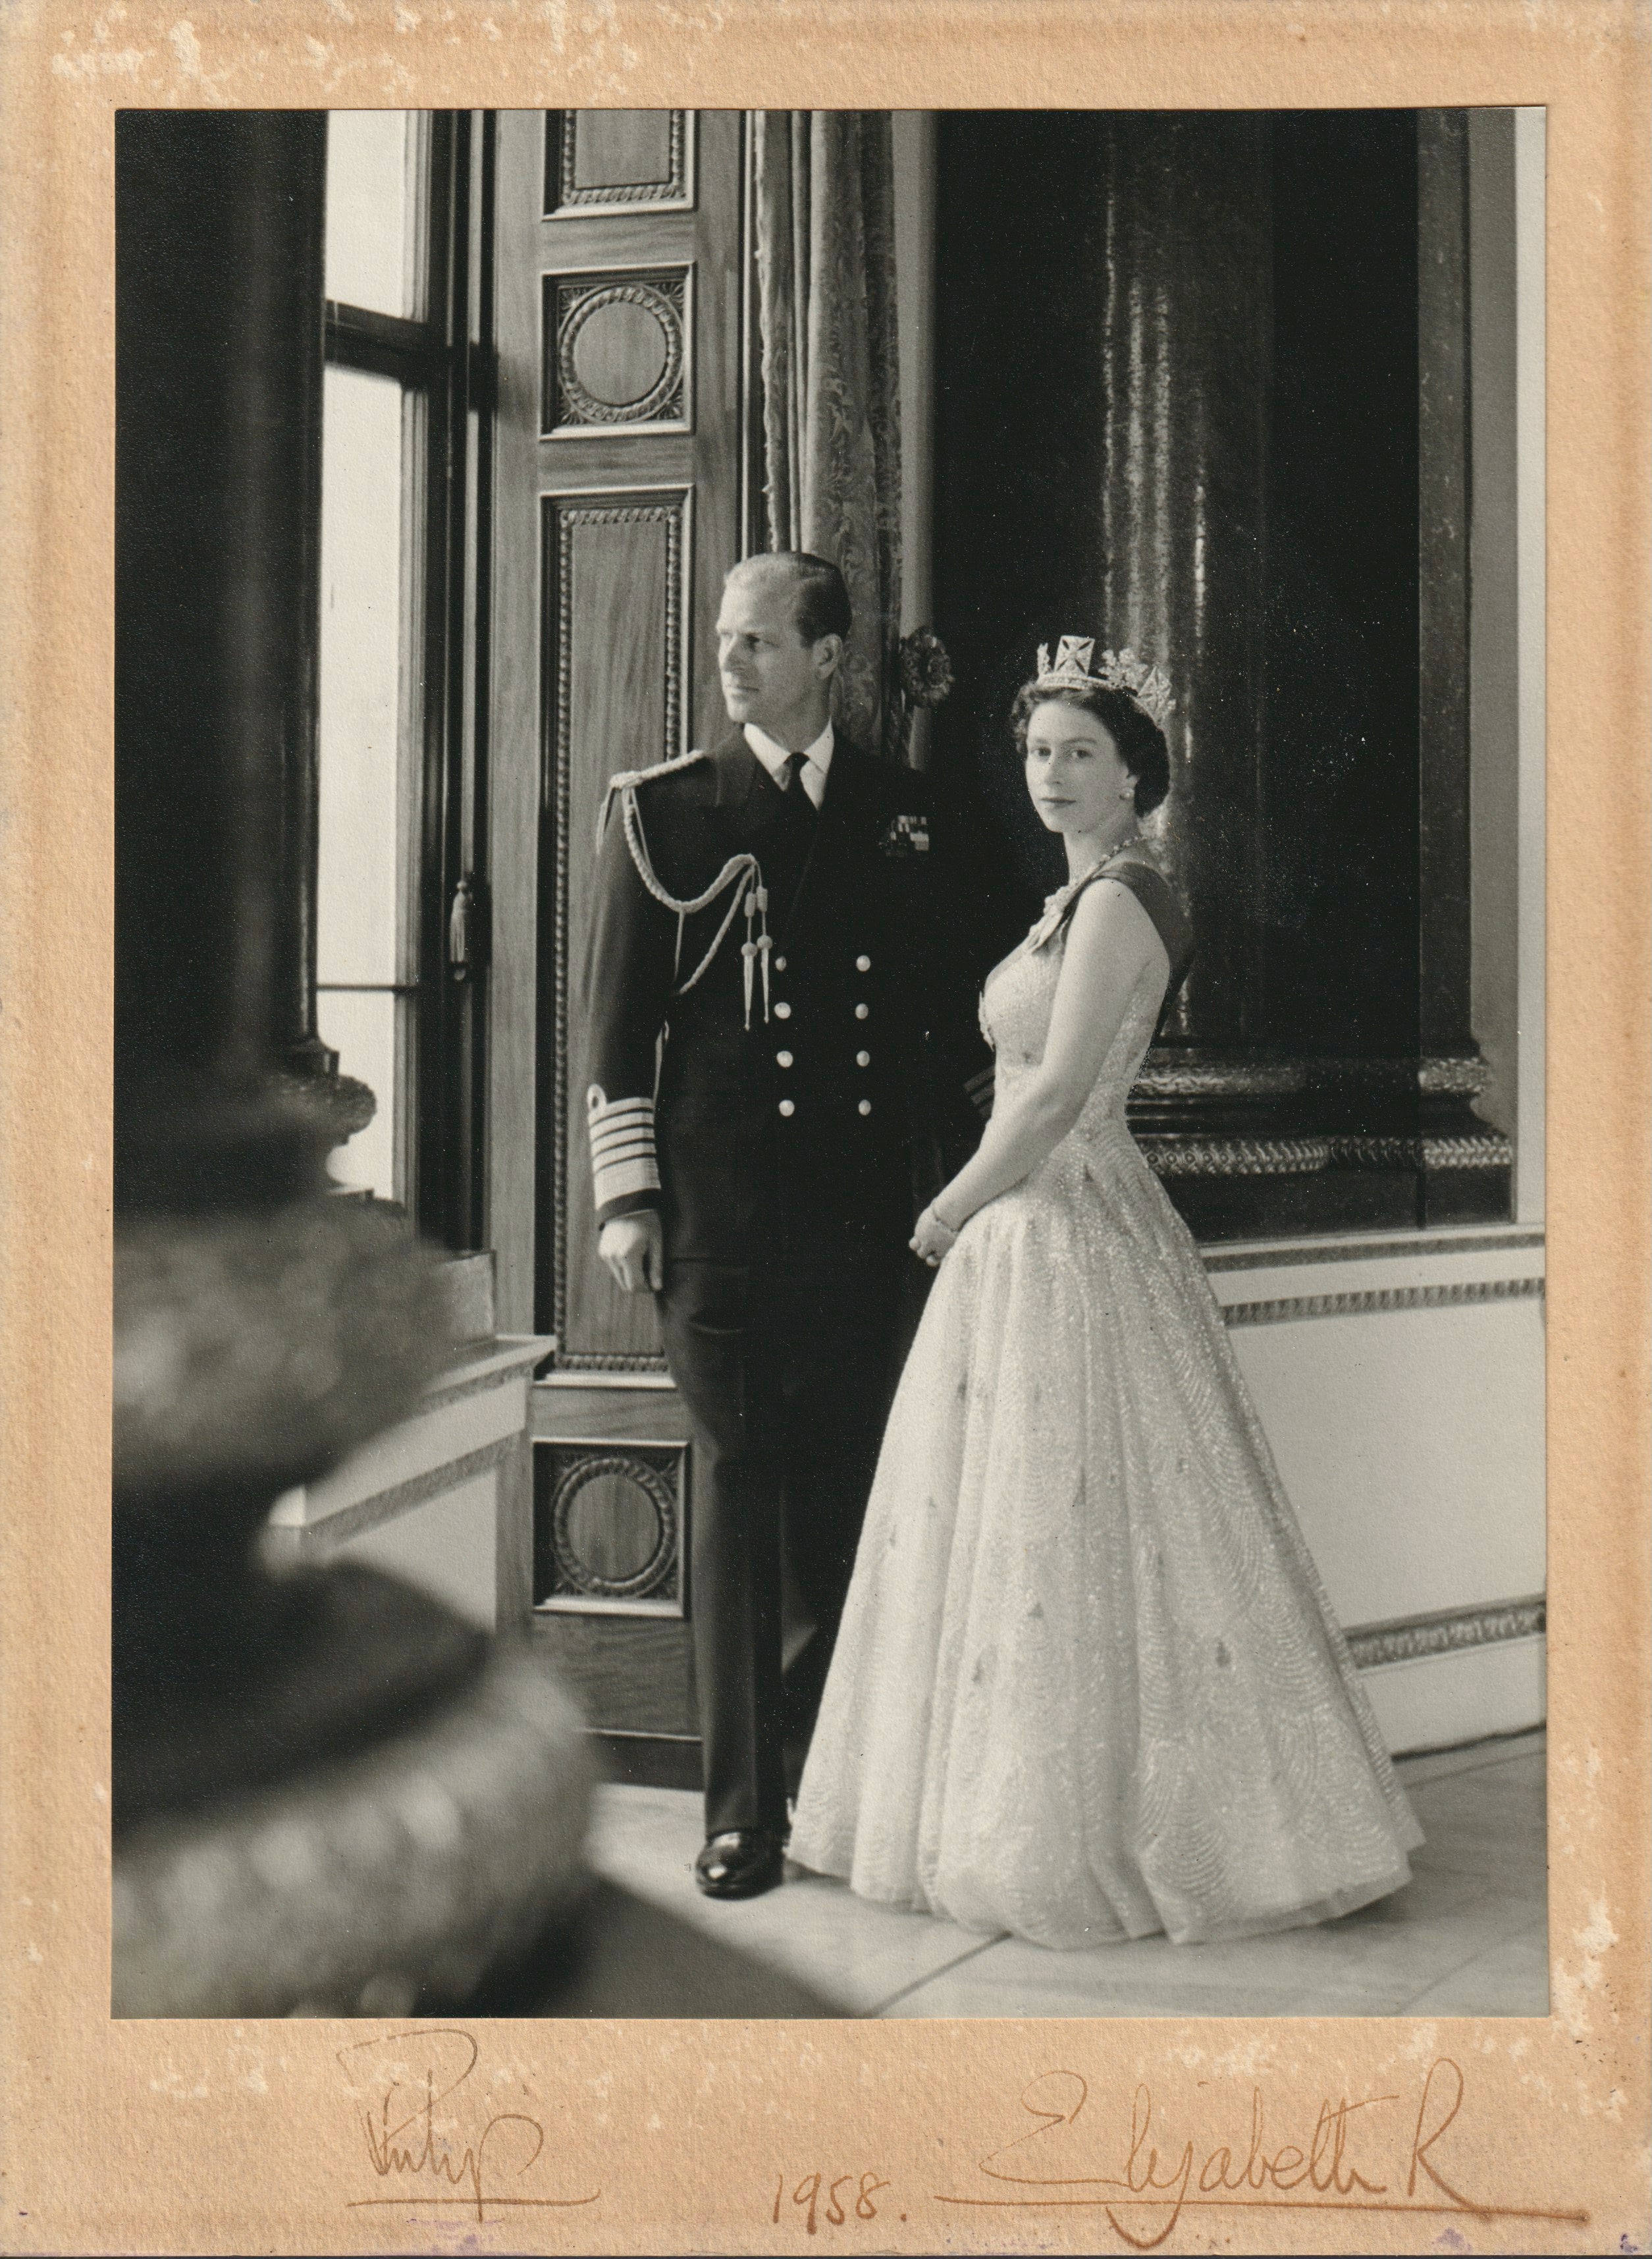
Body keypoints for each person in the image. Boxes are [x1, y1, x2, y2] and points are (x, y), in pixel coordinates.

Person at [789, 636, 1423, 1947]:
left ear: (1134, 771)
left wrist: (951, 1203)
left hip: (1062, 1221)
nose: (1054, 774)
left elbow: (1063, 1089)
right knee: (1028, 1527)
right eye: (1037, 752)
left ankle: (1086, 1835)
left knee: (1064, 1526)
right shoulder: (1077, 899)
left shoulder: (1123, 896)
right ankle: (1008, 1812)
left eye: (1082, 752)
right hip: (1044, 1219)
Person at [583, 551, 988, 1901]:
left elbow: (959, 1022)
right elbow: (615, 1036)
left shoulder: (910, 814)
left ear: (827, 653)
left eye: (758, 640)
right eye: (721, 640)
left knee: (846, 1499)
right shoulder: (665, 814)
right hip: (723, 1222)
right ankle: (744, 1810)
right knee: (743, 1497)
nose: (731, 662)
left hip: (869, 1219)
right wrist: (627, 1198)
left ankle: (830, 1779)